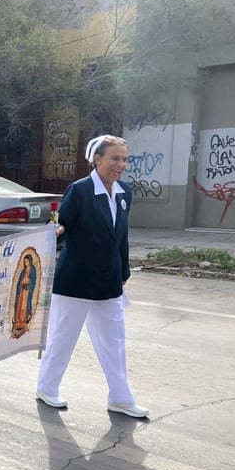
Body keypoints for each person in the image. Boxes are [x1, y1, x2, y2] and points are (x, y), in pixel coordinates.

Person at [35, 134, 149, 418]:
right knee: (63, 337)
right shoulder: (81, 190)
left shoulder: (124, 192)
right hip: (76, 280)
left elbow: (120, 236)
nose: (120, 164)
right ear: (97, 160)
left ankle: (121, 398)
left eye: (124, 159)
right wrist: (54, 231)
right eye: (114, 158)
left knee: (115, 341)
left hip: (109, 281)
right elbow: (61, 225)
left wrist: (123, 270)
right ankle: (47, 388)